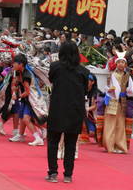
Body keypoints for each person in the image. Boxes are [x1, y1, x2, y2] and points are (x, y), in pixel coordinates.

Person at [46, 41, 90, 183]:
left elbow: (51, 80)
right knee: (70, 144)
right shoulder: (84, 71)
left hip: (57, 108)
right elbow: (85, 90)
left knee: (53, 141)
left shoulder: (55, 67)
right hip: (75, 110)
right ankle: (68, 175)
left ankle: (53, 173)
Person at [101, 51, 133, 154]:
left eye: (123, 62)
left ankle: (119, 146)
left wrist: (130, 91)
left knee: (120, 124)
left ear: (125, 64)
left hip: (122, 101)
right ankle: (109, 145)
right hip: (112, 100)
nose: (121, 64)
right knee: (110, 123)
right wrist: (109, 90)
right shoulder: (111, 75)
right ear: (116, 64)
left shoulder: (128, 76)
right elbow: (106, 87)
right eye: (119, 62)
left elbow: (131, 90)